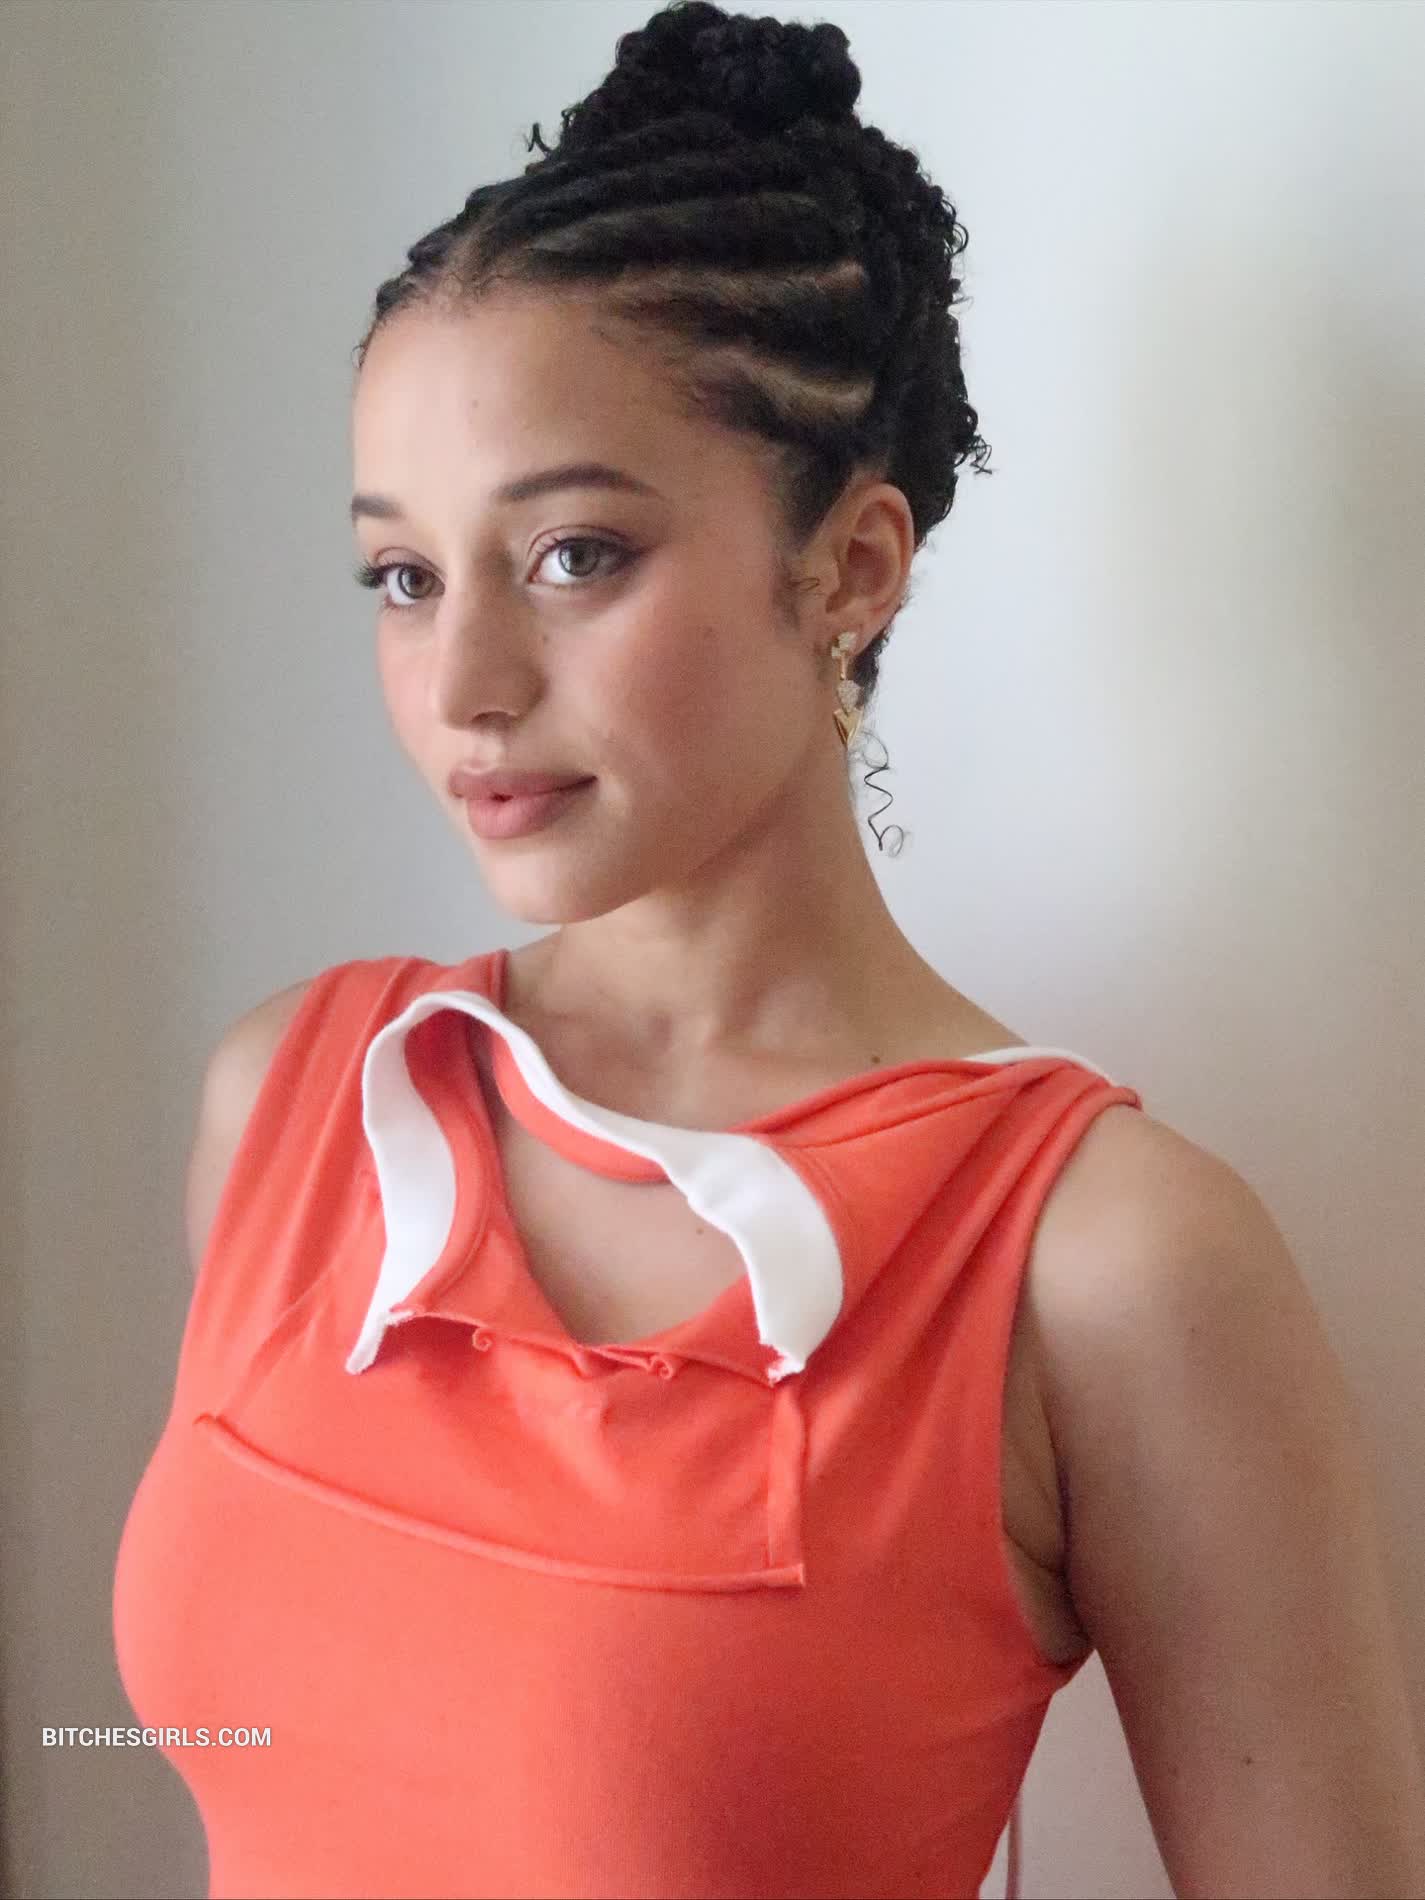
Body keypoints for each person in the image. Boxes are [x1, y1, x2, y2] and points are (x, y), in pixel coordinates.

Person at [113, 5, 1425, 1897]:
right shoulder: (289, 1108)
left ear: (851, 566)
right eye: (403, 575)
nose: (463, 683)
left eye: (572, 555)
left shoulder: (1103, 1264)